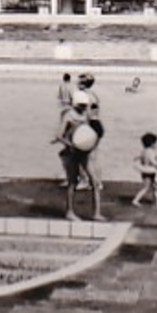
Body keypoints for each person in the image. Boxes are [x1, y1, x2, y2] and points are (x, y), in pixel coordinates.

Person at [55, 90, 105, 221]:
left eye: (85, 105)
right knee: (72, 182)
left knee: (94, 181)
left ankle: (96, 213)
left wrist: (91, 142)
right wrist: (71, 144)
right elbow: (59, 136)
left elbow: (90, 131)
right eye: (81, 105)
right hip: (71, 153)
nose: (83, 108)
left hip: (84, 152)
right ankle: (69, 212)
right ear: (75, 104)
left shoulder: (86, 114)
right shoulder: (68, 116)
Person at [132, 131, 157, 206]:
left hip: (146, 171)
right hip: (149, 172)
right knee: (146, 187)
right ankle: (135, 200)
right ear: (152, 144)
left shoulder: (144, 151)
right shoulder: (150, 152)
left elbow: (143, 158)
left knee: (154, 187)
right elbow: (153, 162)